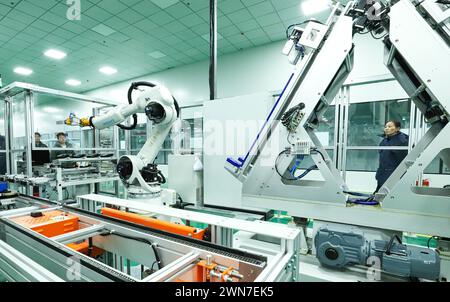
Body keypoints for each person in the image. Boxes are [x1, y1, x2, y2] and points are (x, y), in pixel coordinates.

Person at [375, 120, 409, 192]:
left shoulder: (403, 140)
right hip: (382, 174)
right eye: (385, 127)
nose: (386, 128)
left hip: (394, 175)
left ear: (397, 129)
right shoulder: (385, 140)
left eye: (390, 126)